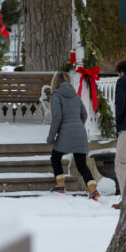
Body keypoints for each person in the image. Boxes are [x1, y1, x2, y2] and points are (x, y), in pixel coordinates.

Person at [47, 72, 99, 200]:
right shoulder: (75, 96)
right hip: (80, 133)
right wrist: (77, 126)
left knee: (55, 157)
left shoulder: (56, 96)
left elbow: (57, 118)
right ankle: (93, 191)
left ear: (55, 82)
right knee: (81, 165)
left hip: (65, 133)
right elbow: (85, 115)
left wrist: (51, 137)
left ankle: (60, 185)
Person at [112, 60, 126, 210]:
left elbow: (120, 104)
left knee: (121, 162)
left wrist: (118, 122)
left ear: (121, 71)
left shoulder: (123, 81)